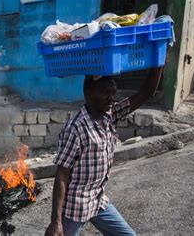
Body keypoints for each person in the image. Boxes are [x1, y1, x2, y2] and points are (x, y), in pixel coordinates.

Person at [45, 67, 163, 236]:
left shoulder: (110, 115)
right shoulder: (75, 128)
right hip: (75, 206)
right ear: (89, 93)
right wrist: (55, 221)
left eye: (113, 92)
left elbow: (146, 92)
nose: (111, 98)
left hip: (98, 200)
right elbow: (62, 174)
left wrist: (158, 62)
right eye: (106, 92)